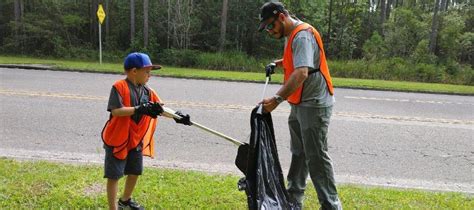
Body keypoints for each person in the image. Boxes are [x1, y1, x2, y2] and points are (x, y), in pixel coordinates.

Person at [257, 2, 342, 209]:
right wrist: (277, 63)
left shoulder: (302, 34)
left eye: (271, 26)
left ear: (282, 17)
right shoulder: (291, 34)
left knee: (316, 157)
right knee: (299, 152)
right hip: (299, 101)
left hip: (313, 104)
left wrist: (276, 99)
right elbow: (296, 58)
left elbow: (302, 72)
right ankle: (293, 199)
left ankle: (331, 205)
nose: (270, 31)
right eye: (267, 28)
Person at [101, 52, 191, 210]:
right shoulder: (119, 87)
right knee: (114, 175)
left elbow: (160, 108)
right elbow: (116, 111)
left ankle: (125, 201)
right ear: (134, 71)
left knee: (135, 171)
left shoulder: (147, 91)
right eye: (147, 72)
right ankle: (112, 208)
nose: (149, 76)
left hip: (135, 140)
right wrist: (139, 109)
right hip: (118, 139)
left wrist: (177, 116)